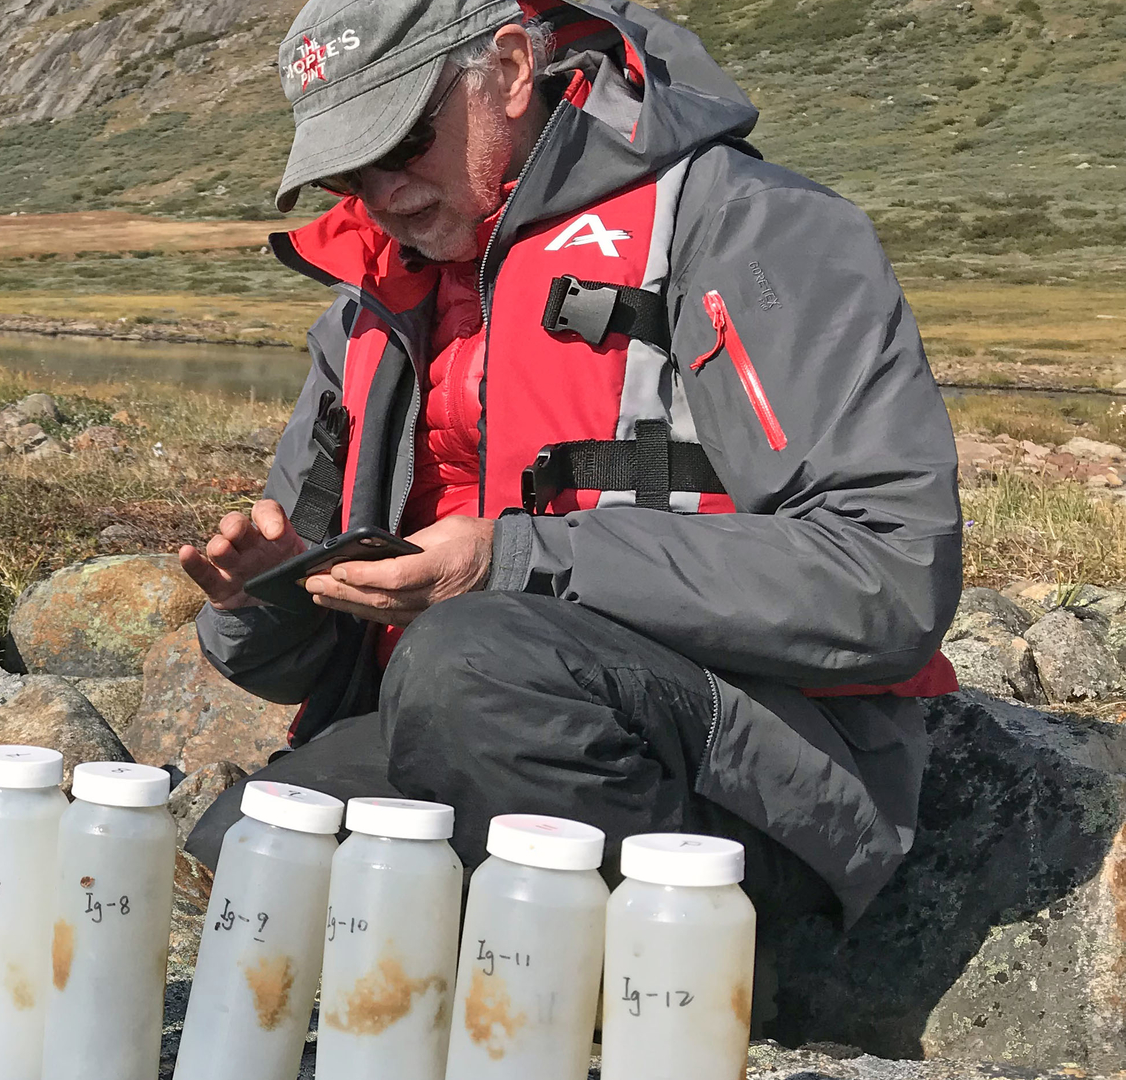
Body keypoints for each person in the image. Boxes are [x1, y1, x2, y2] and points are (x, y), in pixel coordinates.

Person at [179, 0, 964, 962]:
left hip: (768, 779)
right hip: (481, 734)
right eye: (348, 171)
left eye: (404, 142)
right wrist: (274, 594)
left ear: (513, 67)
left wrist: (510, 562)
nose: (380, 193)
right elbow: (281, 668)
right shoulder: (375, 301)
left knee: (469, 660)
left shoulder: (748, 224)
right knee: (256, 845)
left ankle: (678, 987)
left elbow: (885, 579)